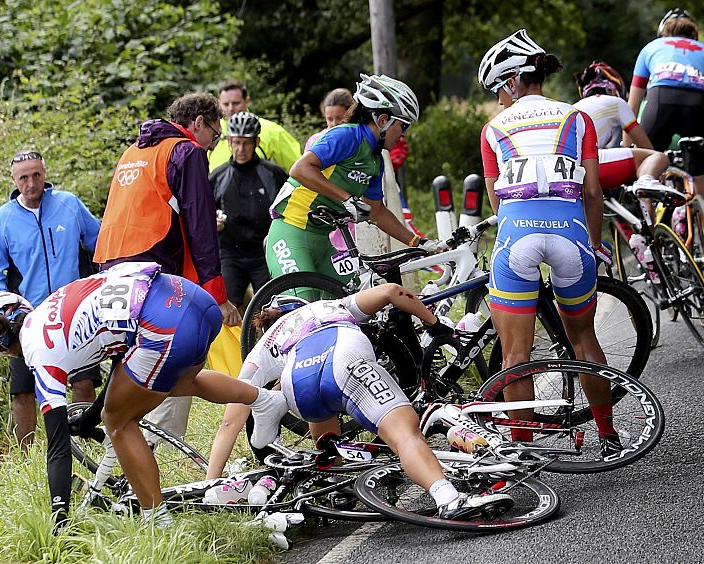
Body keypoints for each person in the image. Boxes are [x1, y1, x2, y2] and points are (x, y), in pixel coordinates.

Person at [0, 263, 288, 531]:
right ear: (22, 307)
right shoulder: (53, 304)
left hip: (165, 326)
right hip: (192, 299)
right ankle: (263, 400)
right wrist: (89, 417)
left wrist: (59, 518)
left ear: (3, 349)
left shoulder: (39, 354)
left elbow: (58, 449)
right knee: (175, 380)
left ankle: (155, 518)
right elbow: (123, 364)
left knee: (118, 421)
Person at [205, 283, 512, 519]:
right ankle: (448, 498)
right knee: (405, 434)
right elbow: (394, 291)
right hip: (345, 358)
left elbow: (231, 420)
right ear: (302, 305)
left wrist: (212, 483)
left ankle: (339, 491)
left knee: (324, 426)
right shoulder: (329, 306)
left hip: (297, 385)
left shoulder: (264, 346)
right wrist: (433, 323)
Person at [477, 29, 622, 457]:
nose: (498, 99)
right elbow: (593, 192)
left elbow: (494, 199)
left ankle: (523, 452)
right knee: (584, 342)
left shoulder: (492, 129)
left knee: (515, 356)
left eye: (497, 90)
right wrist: (594, 245)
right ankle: (609, 437)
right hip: (571, 238)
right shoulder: (578, 119)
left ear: (510, 82)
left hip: (516, 240)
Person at [93, 92, 241, 439]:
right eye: (215, 135)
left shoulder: (132, 152)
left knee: (128, 355)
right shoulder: (186, 151)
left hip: (109, 265)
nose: (213, 144)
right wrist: (217, 292)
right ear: (199, 123)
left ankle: (118, 435)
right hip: (151, 262)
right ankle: (159, 442)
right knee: (172, 349)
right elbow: (201, 225)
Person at [0, 150, 102, 452]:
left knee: (83, 382)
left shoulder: (68, 204)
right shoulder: (4, 218)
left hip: (75, 311)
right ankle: (26, 455)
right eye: (24, 177)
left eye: (36, 175)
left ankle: (82, 443)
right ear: (13, 180)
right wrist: (1, 311)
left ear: (45, 173)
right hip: (28, 318)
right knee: (23, 390)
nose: (31, 183)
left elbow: (100, 243)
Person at [267, 73, 442, 283]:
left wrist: (418, 242)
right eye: (403, 126)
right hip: (291, 231)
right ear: (383, 120)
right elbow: (300, 169)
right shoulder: (347, 135)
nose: (404, 134)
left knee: (357, 300)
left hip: (324, 241)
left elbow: (376, 212)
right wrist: (346, 199)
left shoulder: (375, 160)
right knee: (302, 304)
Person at [210, 112, 288, 307]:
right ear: (228, 141)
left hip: (264, 252)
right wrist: (213, 222)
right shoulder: (218, 176)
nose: (241, 149)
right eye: (236, 142)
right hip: (230, 253)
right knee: (227, 308)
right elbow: (203, 216)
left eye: (246, 143)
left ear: (257, 141)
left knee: (270, 307)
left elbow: (289, 209)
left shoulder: (273, 173)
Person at [628, 8, 704, 196]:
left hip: (662, 100)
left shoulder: (652, 46)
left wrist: (626, 145)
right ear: (693, 33)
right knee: (702, 175)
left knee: (645, 162)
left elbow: (632, 105)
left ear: (663, 32)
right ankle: (703, 218)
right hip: (699, 105)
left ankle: (648, 221)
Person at [573, 61, 670, 191]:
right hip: (591, 165)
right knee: (657, 157)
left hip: (567, 170)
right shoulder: (616, 103)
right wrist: (657, 172)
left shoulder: (574, 107)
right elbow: (644, 145)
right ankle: (646, 185)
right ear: (614, 89)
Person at [207, 79, 301, 173]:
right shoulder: (210, 132)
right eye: (226, 104)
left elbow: (298, 169)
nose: (231, 108)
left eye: (236, 103)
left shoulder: (272, 131)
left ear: (247, 101)